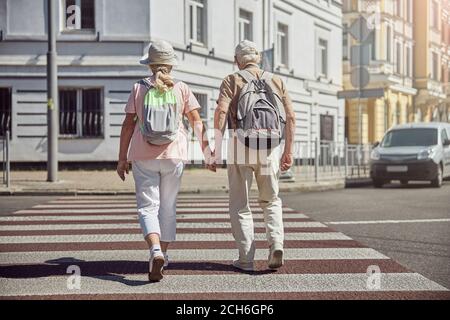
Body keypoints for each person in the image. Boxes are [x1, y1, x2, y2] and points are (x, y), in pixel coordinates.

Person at [117, 40, 214, 282]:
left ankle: (155, 250)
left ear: (150, 65)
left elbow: (128, 125)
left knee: (147, 207)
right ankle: (163, 255)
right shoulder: (181, 87)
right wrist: (208, 153)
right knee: (168, 207)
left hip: (142, 155)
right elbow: (196, 121)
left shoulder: (139, 88)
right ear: (170, 65)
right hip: (174, 156)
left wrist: (121, 159)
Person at [212, 40, 296, 271]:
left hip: (240, 146)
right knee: (271, 200)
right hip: (269, 148)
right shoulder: (276, 80)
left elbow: (221, 111)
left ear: (237, 60)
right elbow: (290, 117)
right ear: (258, 58)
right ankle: (276, 243)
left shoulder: (232, 79)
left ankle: (246, 259)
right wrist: (287, 151)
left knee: (240, 204)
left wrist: (215, 151)